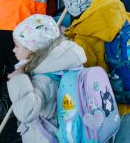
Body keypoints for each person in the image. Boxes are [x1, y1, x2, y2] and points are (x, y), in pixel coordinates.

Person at [65, 0, 130, 143]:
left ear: (71, 9)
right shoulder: (124, 14)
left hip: (108, 107)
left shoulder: (83, 37)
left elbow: (86, 79)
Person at [7, 14, 87, 143]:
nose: (13, 50)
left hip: (43, 137)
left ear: (31, 50)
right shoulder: (60, 63)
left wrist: (18, 79)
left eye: (17, 46)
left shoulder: (44, 79)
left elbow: (26, 113)